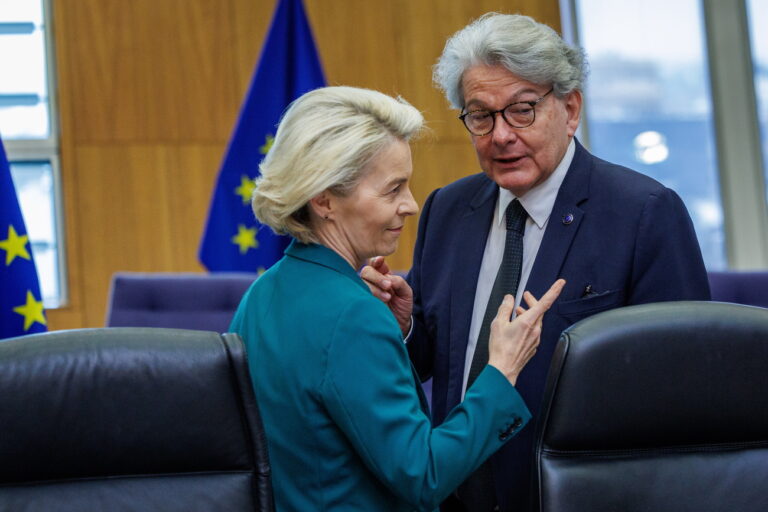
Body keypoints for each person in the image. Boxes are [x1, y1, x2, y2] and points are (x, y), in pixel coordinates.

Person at [361, 13, 711, 512]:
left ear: (570, 109)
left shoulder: (643, 213)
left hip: (582, 496)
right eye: (480, 115)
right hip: (457, 493)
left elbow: (683, 384)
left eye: (522, 110)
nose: (501, 135)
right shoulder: (448, 209)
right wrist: (406, 326)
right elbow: (435, 363)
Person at [229, 85, 565, 512]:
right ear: (324, 199)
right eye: (392, 190)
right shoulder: (353, 316)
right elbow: (423, 476)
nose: (410, 205)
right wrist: (501, 370)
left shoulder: (260, 294)